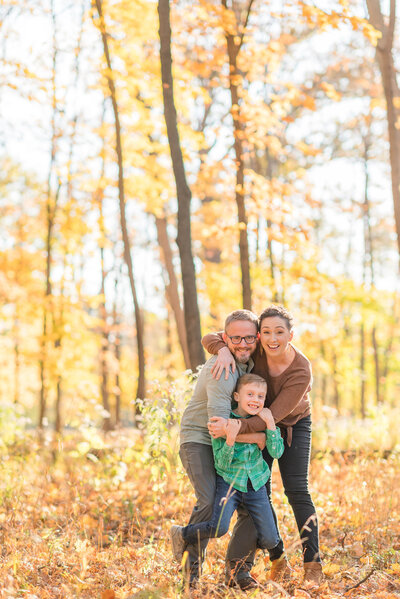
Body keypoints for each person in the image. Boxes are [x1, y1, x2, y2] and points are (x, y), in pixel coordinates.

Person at [203, 304, 323, 584]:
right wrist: (221, 348)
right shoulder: (256, 348)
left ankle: (313, 565)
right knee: (256, 489)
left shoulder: (301, 369)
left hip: (291, 424)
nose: (272, 338)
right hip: (255, 421)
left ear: (290, 335)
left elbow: (275, 415)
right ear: (259, 335)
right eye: (266, 331)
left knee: (297, 491)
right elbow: (209, 337)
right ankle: (275, 559)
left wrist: (234, 426)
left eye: (279, 332)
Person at [179, 309, 286, 590]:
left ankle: (237, 574)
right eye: (235, 338)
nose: (243, 343)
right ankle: (189, 576)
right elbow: (218, 428)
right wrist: (257, 438)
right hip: (199, 440)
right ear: (226, 338)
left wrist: (260, 435)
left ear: (257, 338)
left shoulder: (247, 364)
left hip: (229, 443)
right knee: (207, 503)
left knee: (251, 506)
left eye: (249, 337)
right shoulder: (223, 370)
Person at [171, 374, 285, 580]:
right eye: (250, 394)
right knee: (219, 527)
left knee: (270, 540)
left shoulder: (262, 421)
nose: (255, 400)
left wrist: (270, 424)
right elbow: (221, 464)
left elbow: (276, 452)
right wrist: (230, 438)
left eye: (261, 396)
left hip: (256, 485)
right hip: (230, 483)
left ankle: (242, 564)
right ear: (236, 396)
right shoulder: (224, 422)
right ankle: (182, 533)